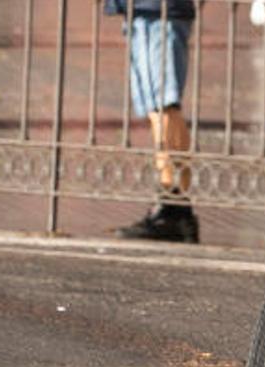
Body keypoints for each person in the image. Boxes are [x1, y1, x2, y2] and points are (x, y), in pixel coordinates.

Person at [106, 0, 200, 243]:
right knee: (159, 105)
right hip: (149, 11)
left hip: (157, 12)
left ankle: (173, 204)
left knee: (163, 103)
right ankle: (175, 205)